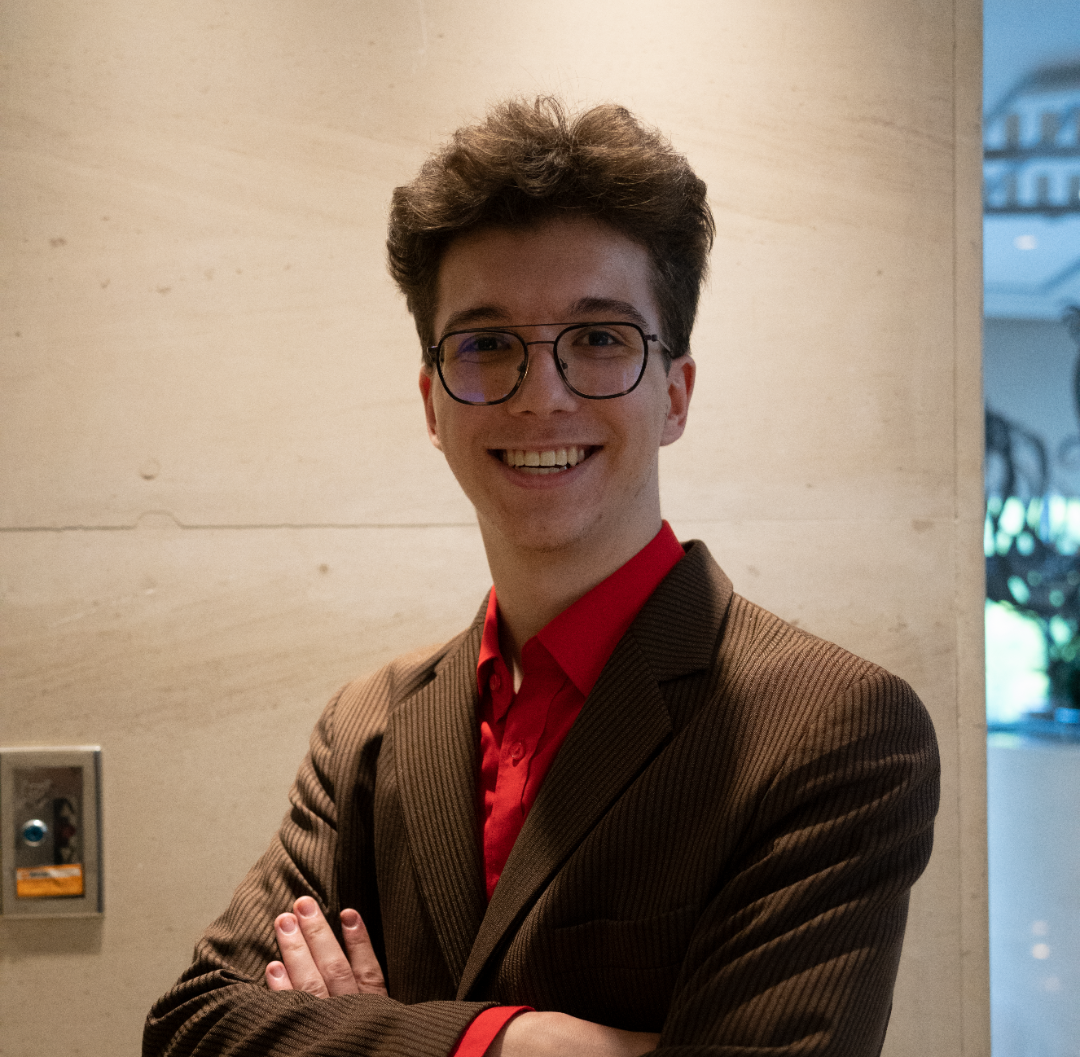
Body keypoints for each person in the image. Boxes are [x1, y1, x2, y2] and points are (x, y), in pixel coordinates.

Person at [144, 97, 940, 1057]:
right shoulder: (367, 728)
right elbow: (192, 1025)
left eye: (599, 339)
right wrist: (516, 1043)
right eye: (486, 346)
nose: (541, 397)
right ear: (433, 404)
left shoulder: (834, 729)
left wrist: (357, 1034)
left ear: (675, 394)